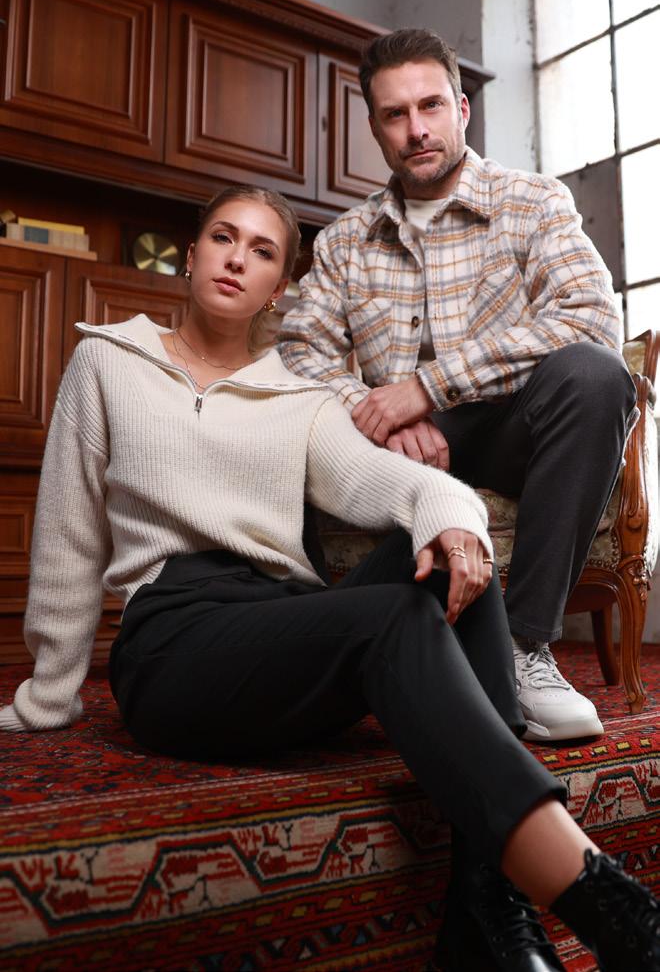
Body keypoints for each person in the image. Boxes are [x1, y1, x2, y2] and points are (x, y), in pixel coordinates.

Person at [0, 185, 657, 972]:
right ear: (192, 254)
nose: (236, 259)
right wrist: (50, 690)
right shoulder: (108, 361)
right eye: (222, 237)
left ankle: (485, 902)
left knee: (450, 551)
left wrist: (453, 516)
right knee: (396, 614)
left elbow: (388, 482)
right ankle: (606, 908)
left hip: (281, 625)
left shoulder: (298, 397)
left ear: (279, 288)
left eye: (262, 250)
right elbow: (68, 533)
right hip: (173, 639)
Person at [278, 28, 638, 744]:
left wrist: (427, 387)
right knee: (284, 419)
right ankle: (316, 653)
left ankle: (525, 649)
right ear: (374, 126)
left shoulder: (532, 201)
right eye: (394, 114)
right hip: (394, 452)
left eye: (431, 106)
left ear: (462, 108)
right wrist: (375, 412)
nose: (416, 129)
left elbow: (591, 318)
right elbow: (298, 351)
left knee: (597, 375)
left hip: (513, 434)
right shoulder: (345, 240)